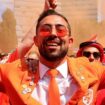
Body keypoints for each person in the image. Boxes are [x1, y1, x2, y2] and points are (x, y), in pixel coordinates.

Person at [0, 9, 105, 105]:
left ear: (70, 41)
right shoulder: (12, 73)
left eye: (60, 30)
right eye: (45, 30)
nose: (53, 34)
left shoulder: (92, 70)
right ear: (35, 41)